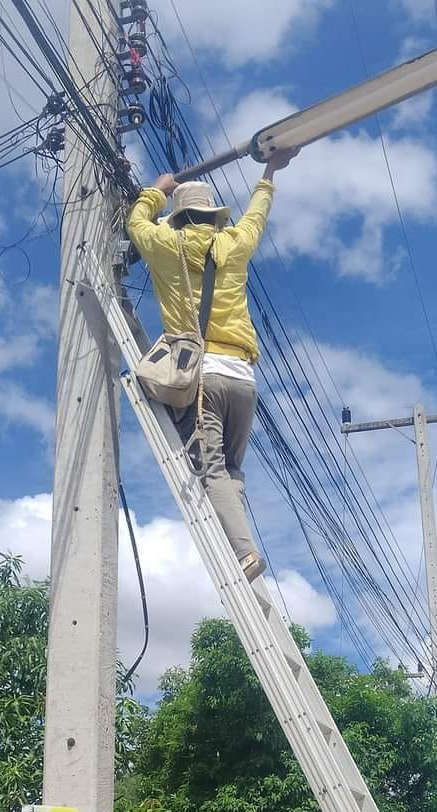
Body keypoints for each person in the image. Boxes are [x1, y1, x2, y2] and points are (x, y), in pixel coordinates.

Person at [126, 147, 299, 580]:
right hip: (244, 381)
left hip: (202, 377)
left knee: (212, 470)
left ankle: (243, 552)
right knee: (232, 469)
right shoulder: (235, 244)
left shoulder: (166, 244)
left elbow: (135, 223)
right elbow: (257, 213)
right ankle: (238, 536)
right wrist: (270, 170)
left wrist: (156, 192)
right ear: (215, 217)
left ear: (181, 217)